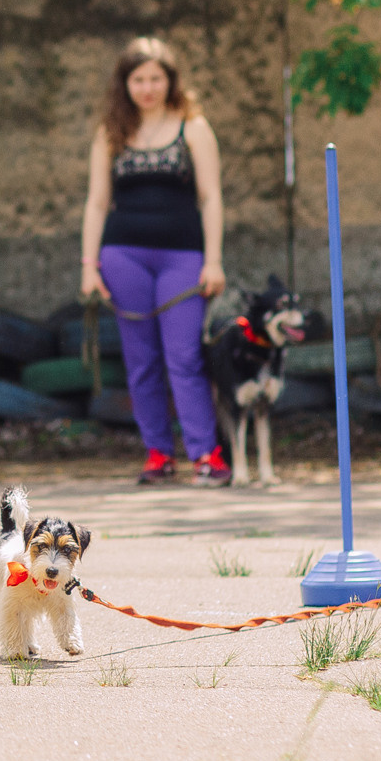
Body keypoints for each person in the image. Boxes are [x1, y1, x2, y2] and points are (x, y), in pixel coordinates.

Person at [79, 37, 230, 486]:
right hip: (124, 257)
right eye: (138, 79)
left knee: (184, 357)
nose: (147, 88)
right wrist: (89, 266)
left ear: (170, 81)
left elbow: (211, 196)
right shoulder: (111, 132)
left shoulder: (194, 127)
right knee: (141, 360)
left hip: (183, 258)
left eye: (155, 78)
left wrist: (214, 261)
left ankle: (207, 455)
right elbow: (96, 203)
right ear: (125, 85)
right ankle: (158, 455)